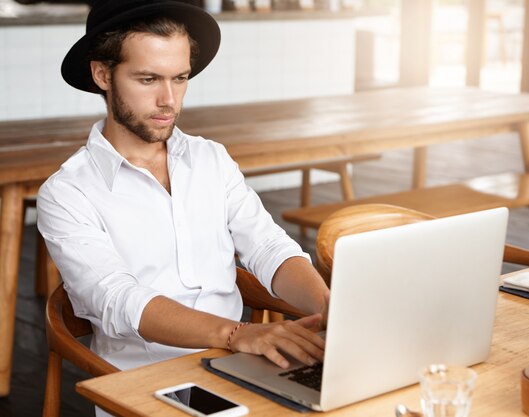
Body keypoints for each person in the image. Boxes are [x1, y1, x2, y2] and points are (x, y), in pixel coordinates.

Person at [37, 0, 329, 383]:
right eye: (148, 79)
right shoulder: (67, 192)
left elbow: (268, 247)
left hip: (240, 364)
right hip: (148, 381)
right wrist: (237, 334)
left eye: (180, 78)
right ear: (102, 75)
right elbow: (118, 299)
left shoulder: (211, 158)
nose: (169, 100)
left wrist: (330, 307)